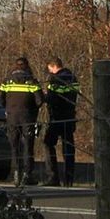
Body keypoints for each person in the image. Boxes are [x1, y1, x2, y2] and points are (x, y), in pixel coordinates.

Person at [0, 57, 45, 187]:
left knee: (14, 146)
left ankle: (15, 173)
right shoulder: (31, 81)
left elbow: (0, 100)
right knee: (28, 146)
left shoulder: (7, 81)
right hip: (28, 118)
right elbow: (40, 101)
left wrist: (9, 108)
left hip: (12, 118)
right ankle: (27, 174)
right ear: (27, 67)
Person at [43, 57, 80, 187]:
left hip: (57, 117)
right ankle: (69, 179)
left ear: (53, 66)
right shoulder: (72, 78)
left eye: (49, 69)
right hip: (70, 116)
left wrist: (44, 96)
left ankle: (53, 177)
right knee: (68, 148)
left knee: (48, 143)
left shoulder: (55, 79)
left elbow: (53, 99)